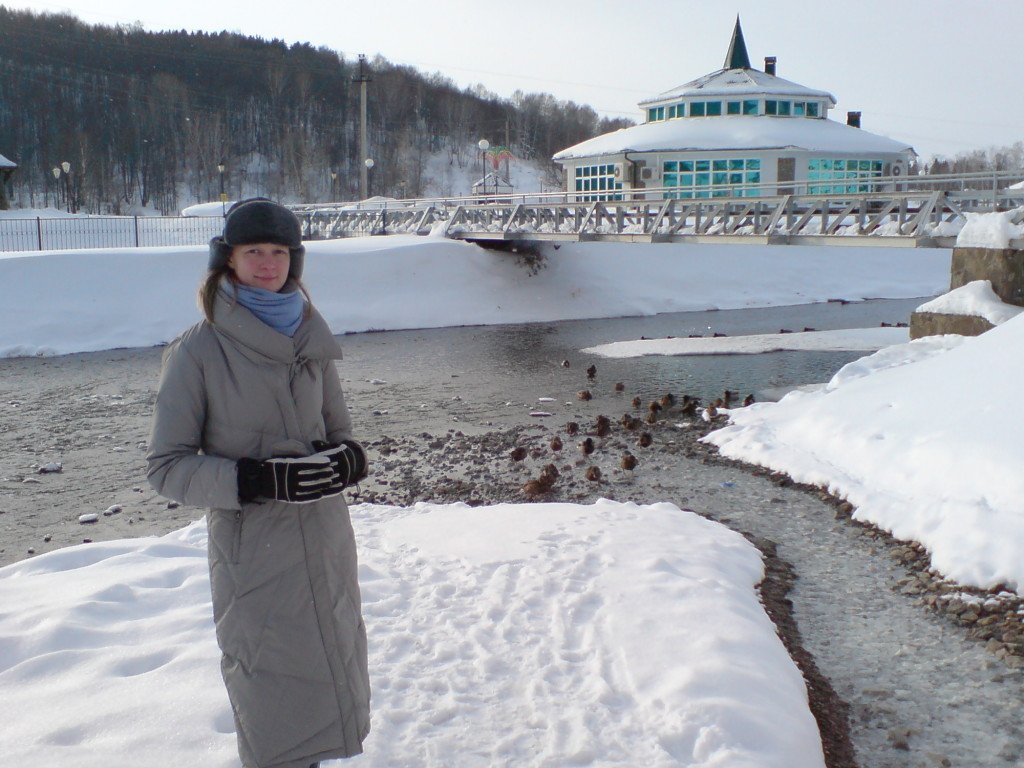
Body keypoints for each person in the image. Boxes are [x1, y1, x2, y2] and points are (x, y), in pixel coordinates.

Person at [147, 198, 371, 768]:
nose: (268, 263)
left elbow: (340, 433)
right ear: (229, 259)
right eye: (253, 251)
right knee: (273, 701)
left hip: (325, 541)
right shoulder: (196, 351)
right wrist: (255, 479)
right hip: (255, 556)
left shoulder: (311, 337)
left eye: (278, 251)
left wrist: (348, 460)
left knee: (331, 674)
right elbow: (166, 467)